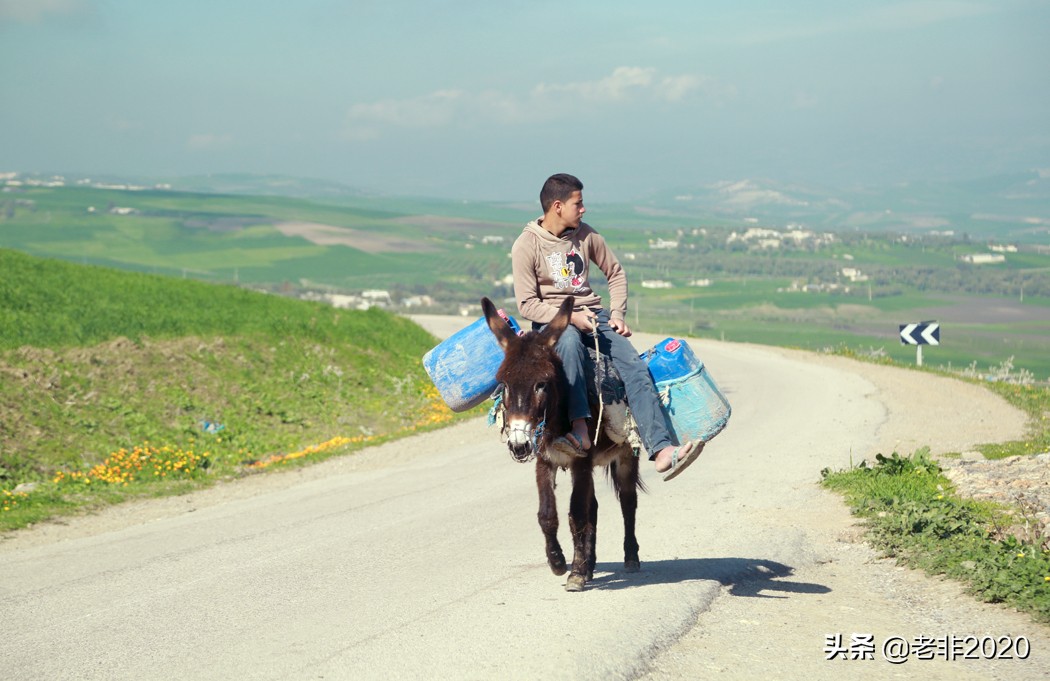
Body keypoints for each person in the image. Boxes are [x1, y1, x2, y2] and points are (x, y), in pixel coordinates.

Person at [511, 173, 702, 481]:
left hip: (594, 314)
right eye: (578, 203)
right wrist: (569, 319)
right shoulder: (526, 245)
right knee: (570, 345)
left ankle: (662, 450)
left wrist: (617, 314)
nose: (583, 209)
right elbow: (527, 304)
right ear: (557, 206)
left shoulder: (586, 235)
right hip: (553, 322)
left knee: (634, 365)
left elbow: (615, 272)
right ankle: (580, 429)